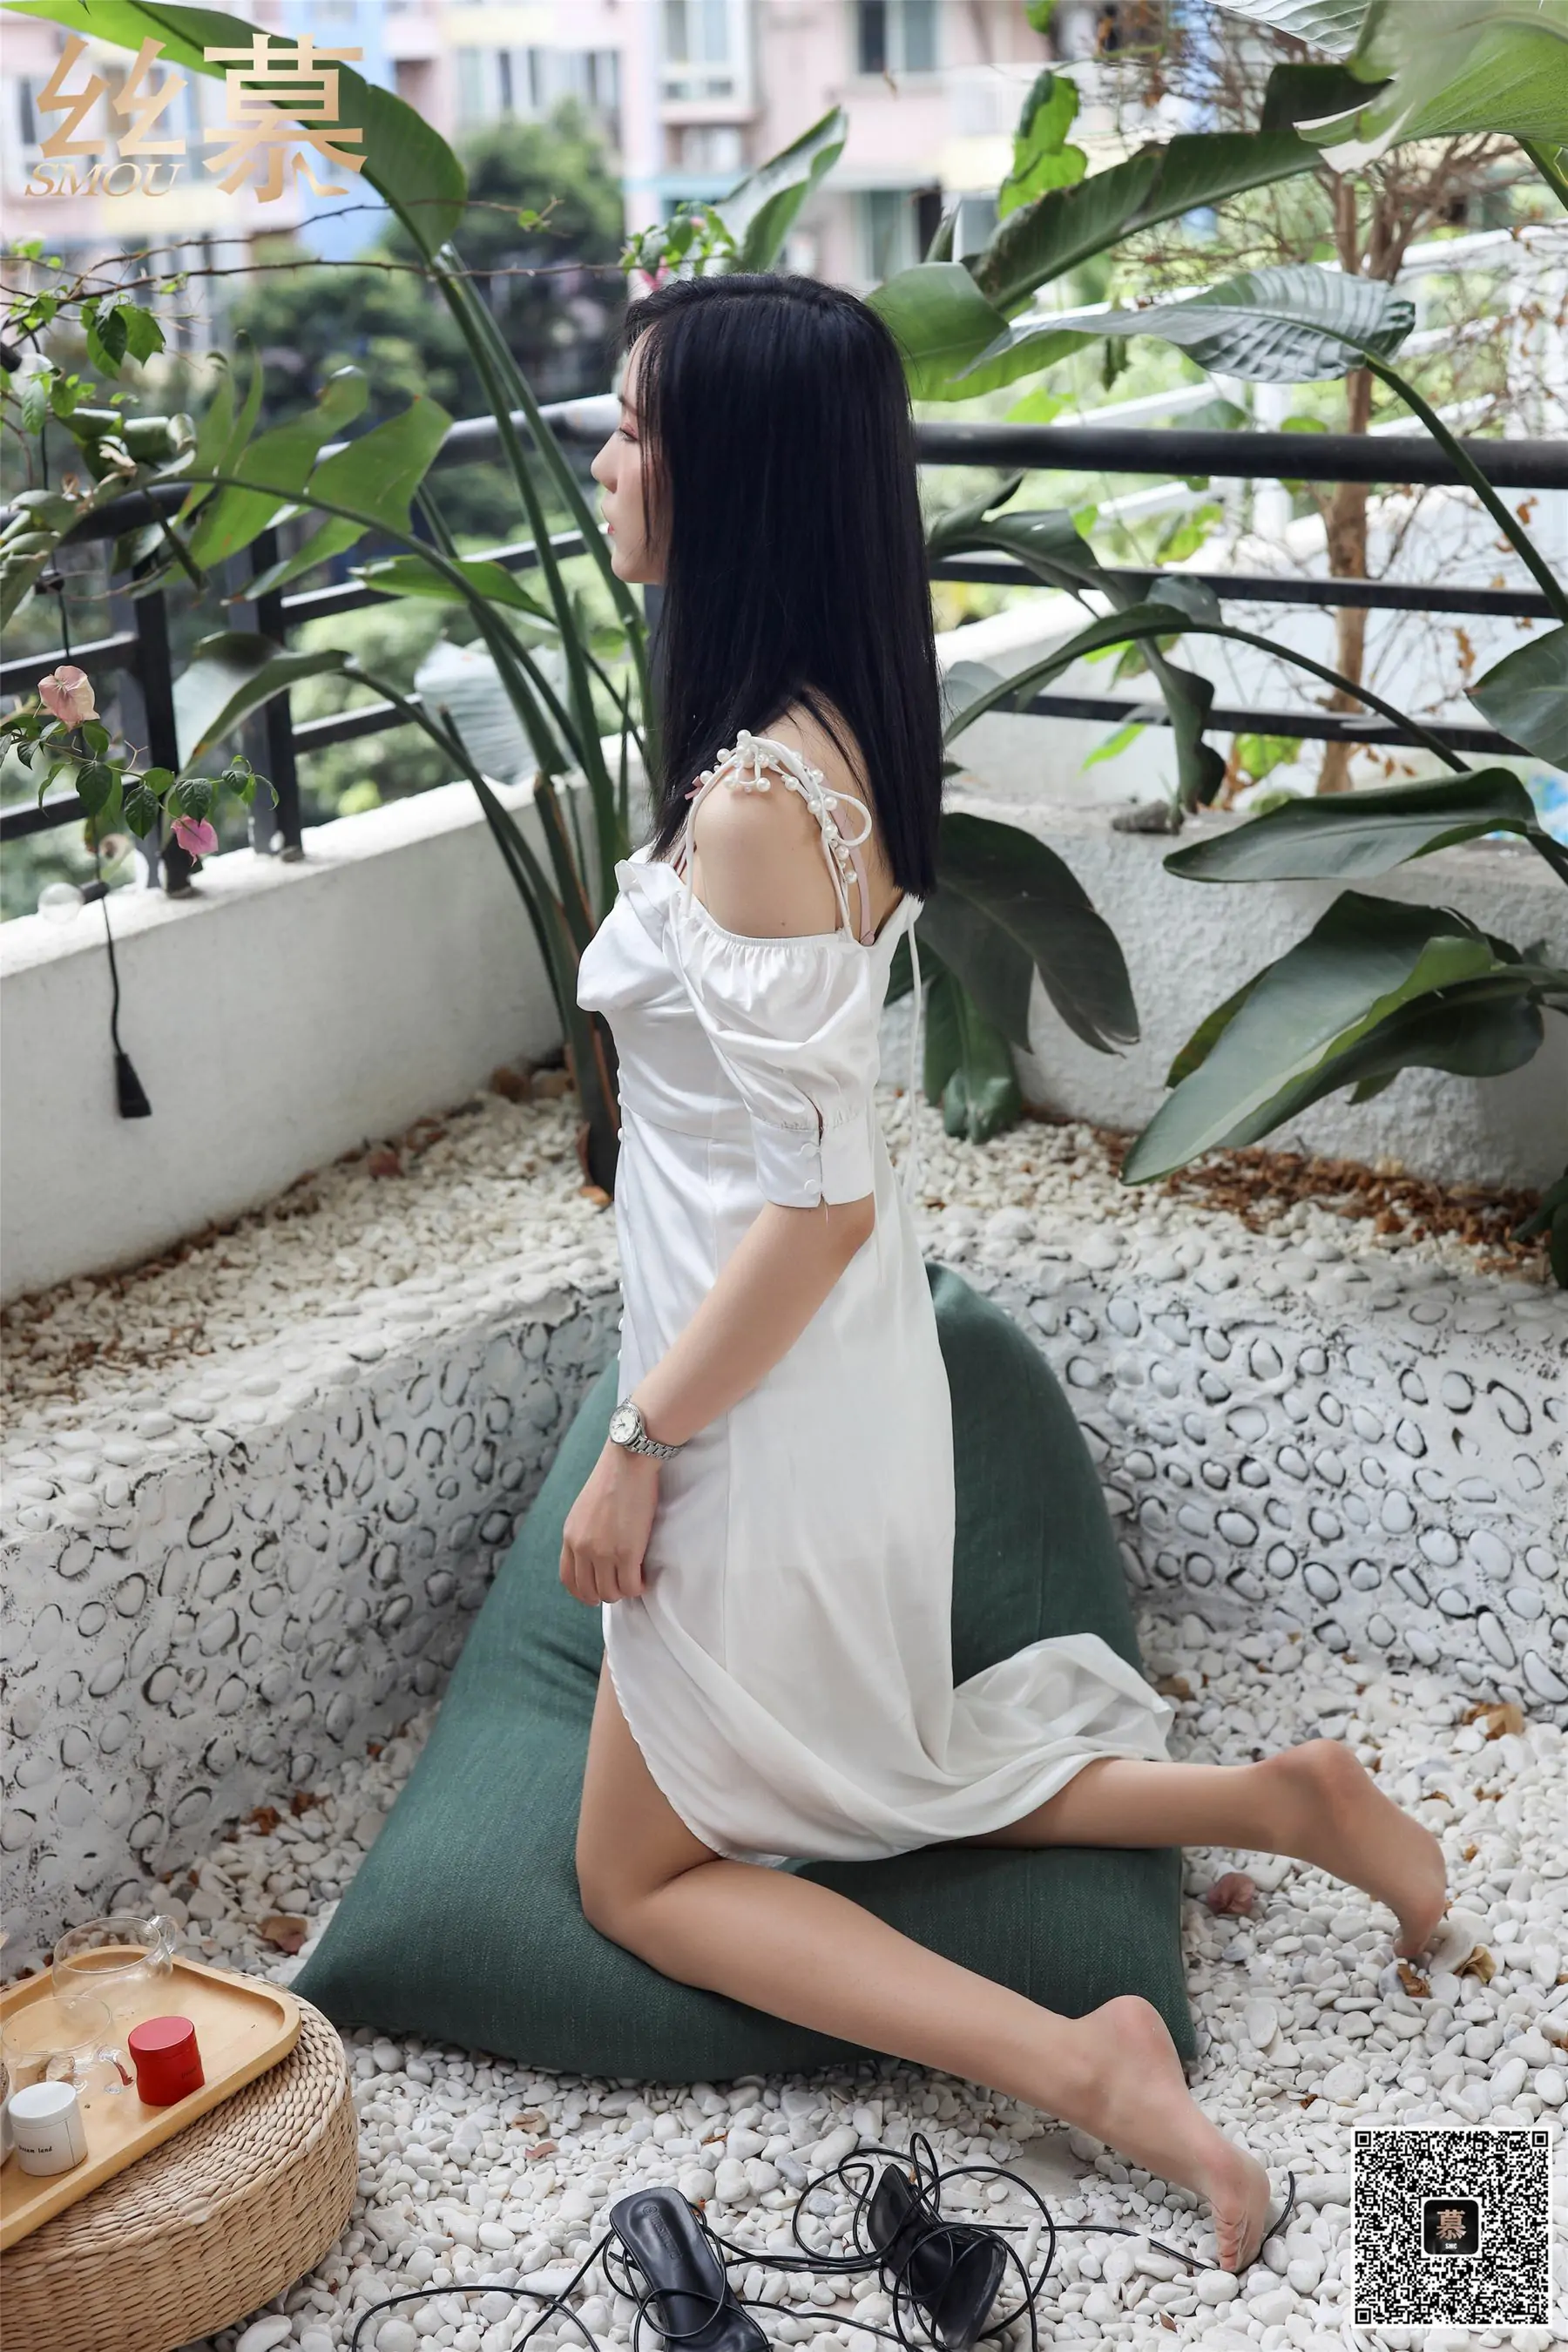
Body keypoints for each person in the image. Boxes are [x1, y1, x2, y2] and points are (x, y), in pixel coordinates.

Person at [571, 274, 1445, 2274]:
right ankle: (1281, 1800)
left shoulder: (752, 812)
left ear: (732, 477)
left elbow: (813, 1210)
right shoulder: (822, 737)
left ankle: (1088, 2069)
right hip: (816, 1371)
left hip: (759, 1401)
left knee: (637, 1876)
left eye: (632, 428)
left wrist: (640, 1443)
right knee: (872, 1772)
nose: (607, 464)